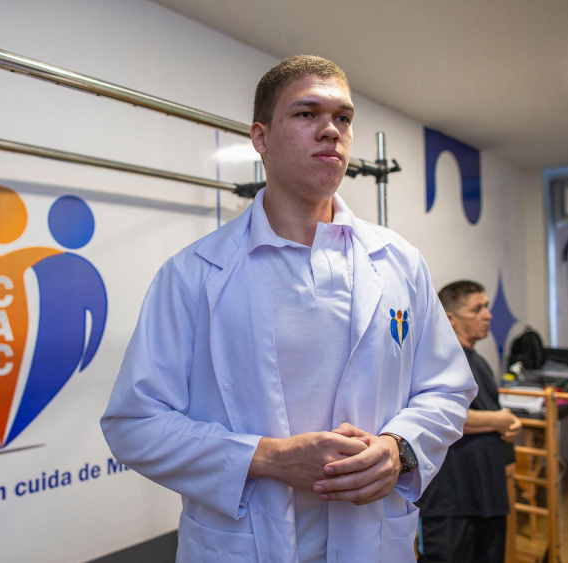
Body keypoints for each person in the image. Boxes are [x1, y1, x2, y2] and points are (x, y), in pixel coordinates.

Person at [101, 55, 477, 562]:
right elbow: (135, 423)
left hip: (373, 540)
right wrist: (267, 458)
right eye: (307, 114)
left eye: (343, 118)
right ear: (260, 137)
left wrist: (398, 447)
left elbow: (448, 387)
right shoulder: (194, 273)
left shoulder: (399, 263)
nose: (331, 131)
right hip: (243, 546)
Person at [415, 280, 521, 563]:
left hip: (487, 494)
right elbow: (435, 417)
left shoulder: (478, 361)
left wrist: (506, 426)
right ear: (450, 318)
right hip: (450, 500)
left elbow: (487, 414)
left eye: (486, 307)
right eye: (477, 309)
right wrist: (499, 420)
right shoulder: (433, 359)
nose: (488, 315)